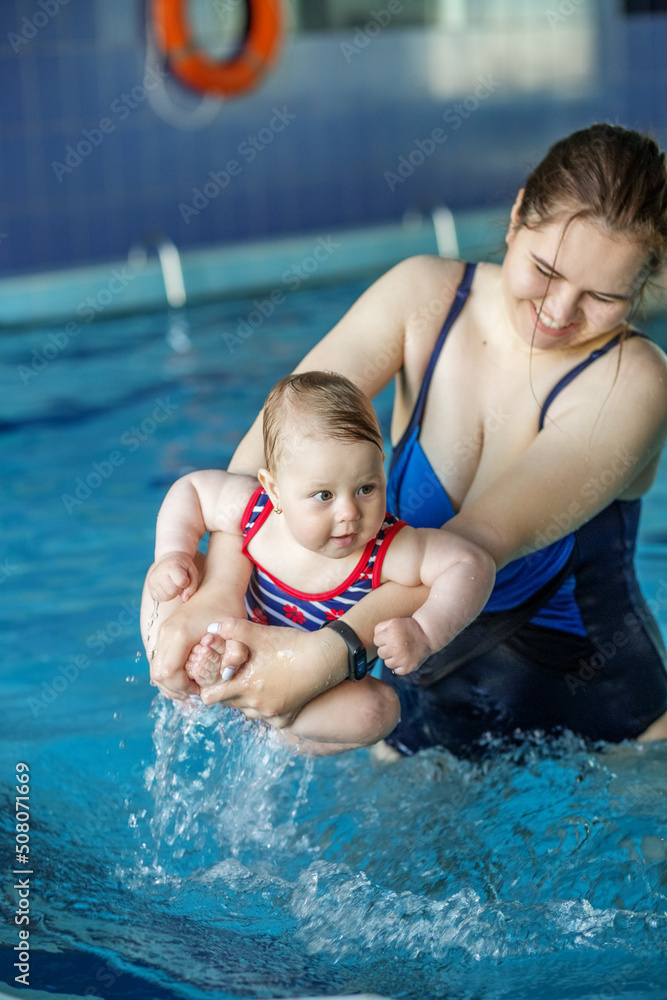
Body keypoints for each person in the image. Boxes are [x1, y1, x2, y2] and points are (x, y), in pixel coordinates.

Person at [149, 122, 667, 759]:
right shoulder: (426, 297)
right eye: (545, 270)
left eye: (603, 296)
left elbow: (470, 551)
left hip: (611, 726)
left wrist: (325, 653)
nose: (559, 312)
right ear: (516, 213)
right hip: (415, 702)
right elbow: (268, 454)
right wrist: (220, 592)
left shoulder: (635, 380)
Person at [143, 371, 495, 755]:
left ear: (382, 467)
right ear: (274, 488)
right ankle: (178, 674)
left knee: (379, 711)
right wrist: (171, 553)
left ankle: (280, 721)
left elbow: (470, 563)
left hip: (301, 684)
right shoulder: (255, 510)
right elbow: (190, 489)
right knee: (174, 576)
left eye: (366, 488)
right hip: (229, 631)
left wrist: (426, 633)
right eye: (323, 495)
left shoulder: (387, 549)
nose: (349, 513)